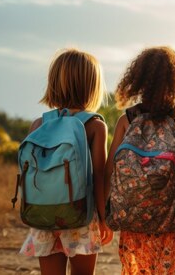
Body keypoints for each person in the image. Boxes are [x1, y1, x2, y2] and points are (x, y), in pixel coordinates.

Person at [105, 46, 175, 274]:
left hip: (134, 215)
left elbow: (111, 170)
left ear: (139, 79)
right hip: (174, 216)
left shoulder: (127, 120)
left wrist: (105, 214)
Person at [19, 48, 113, 275]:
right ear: (92, 86)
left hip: (44, 215)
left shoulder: (38, 125)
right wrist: (104, 219)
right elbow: (99, 176)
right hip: (80, 215)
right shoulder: (94, 125)